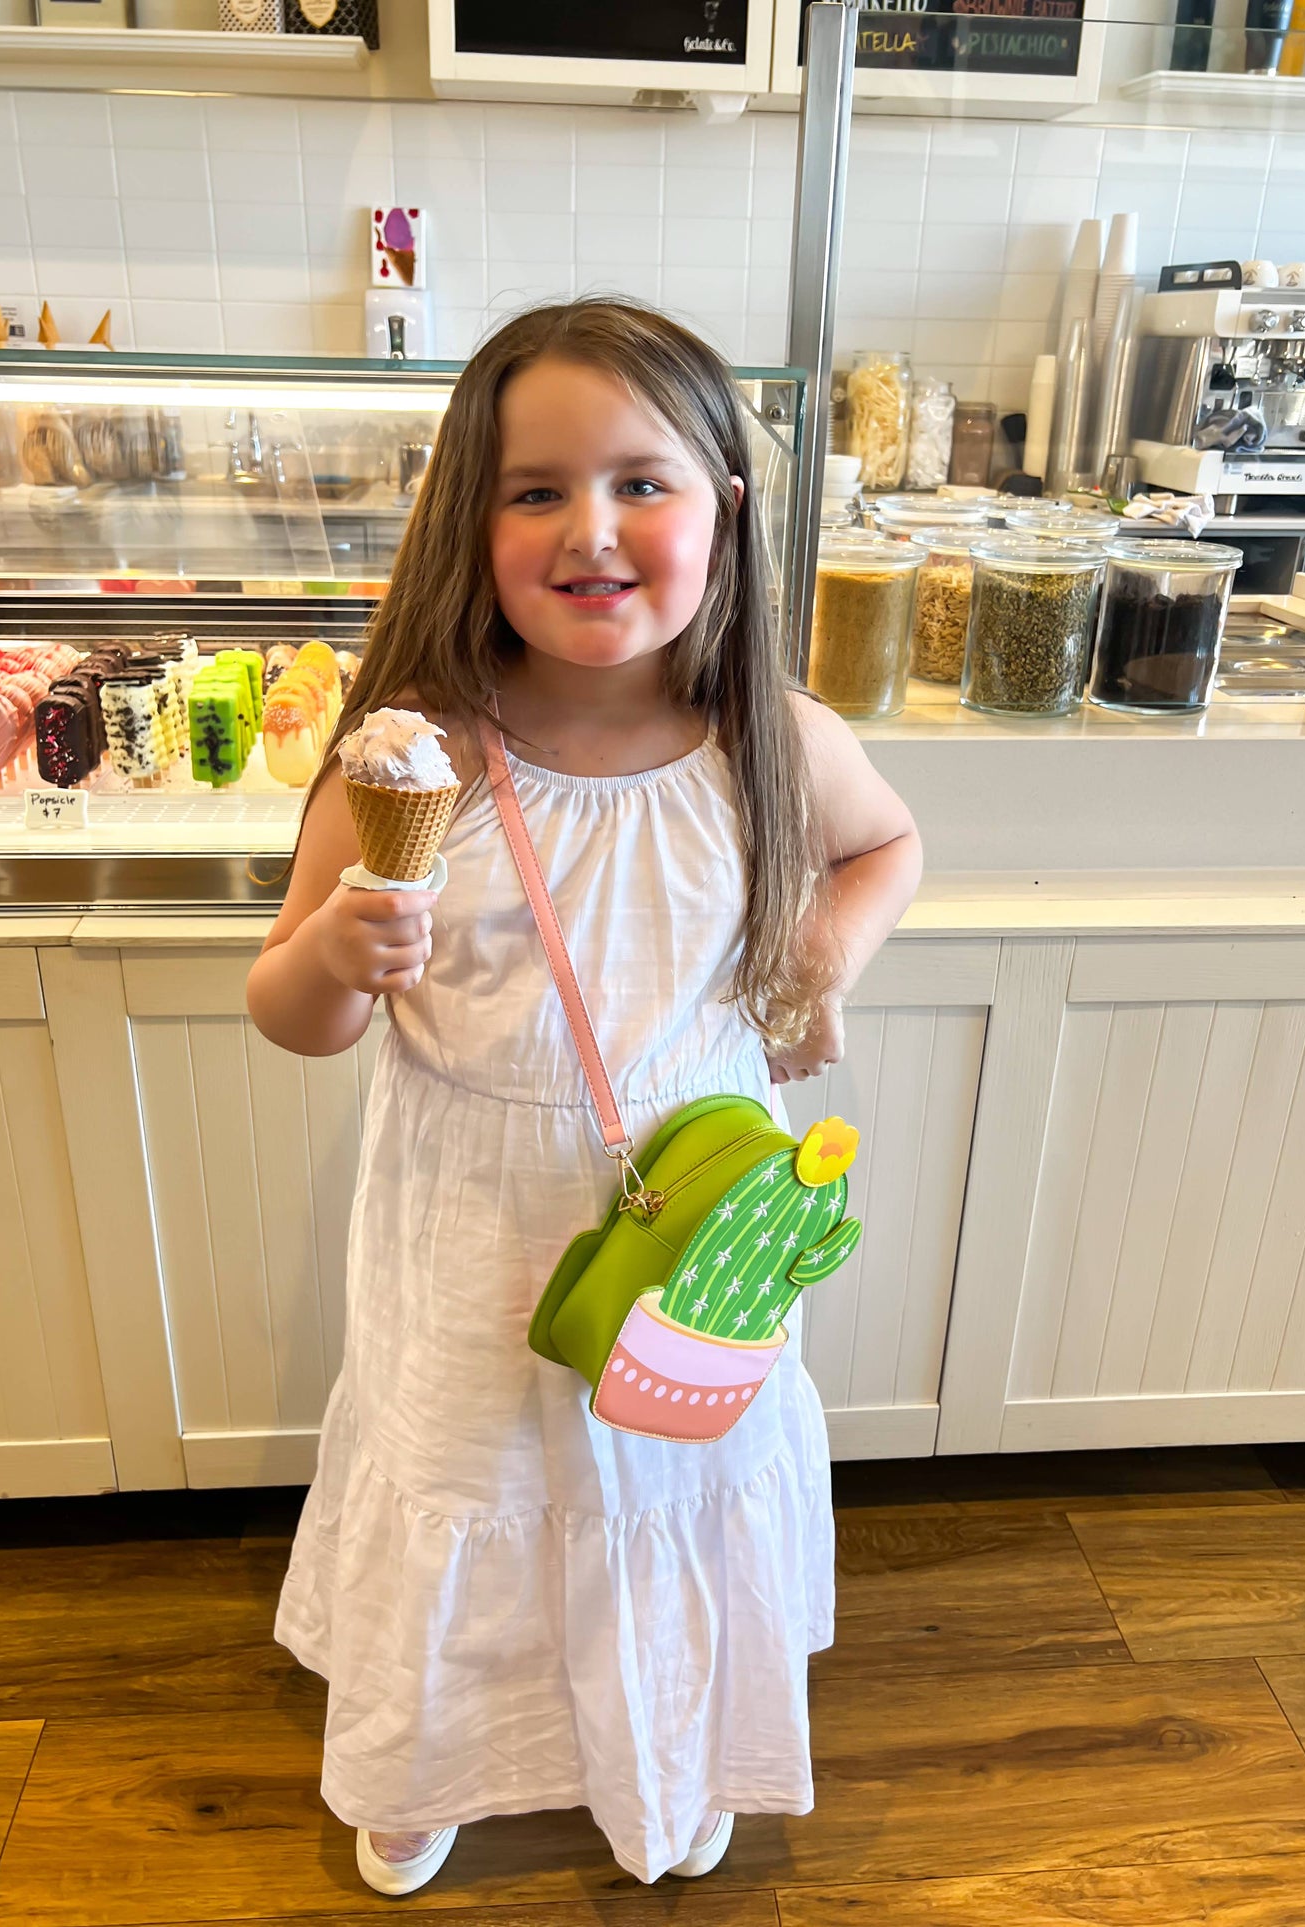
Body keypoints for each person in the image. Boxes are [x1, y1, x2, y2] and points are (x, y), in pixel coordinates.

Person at [247, 298, 922, 1896]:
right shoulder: (411, 763)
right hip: (468, 1249)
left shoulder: (768, 740)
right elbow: (293, 1019)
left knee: (662, 1490)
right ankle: (422, 1765)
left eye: (642, 482)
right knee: (471, 1494)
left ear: (726, 512)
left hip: (692, 1227)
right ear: (463, 522)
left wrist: (821, 951)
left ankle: (667, 1745)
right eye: (532, 488)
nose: (590, 530)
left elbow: (890, 848)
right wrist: (340, 951)